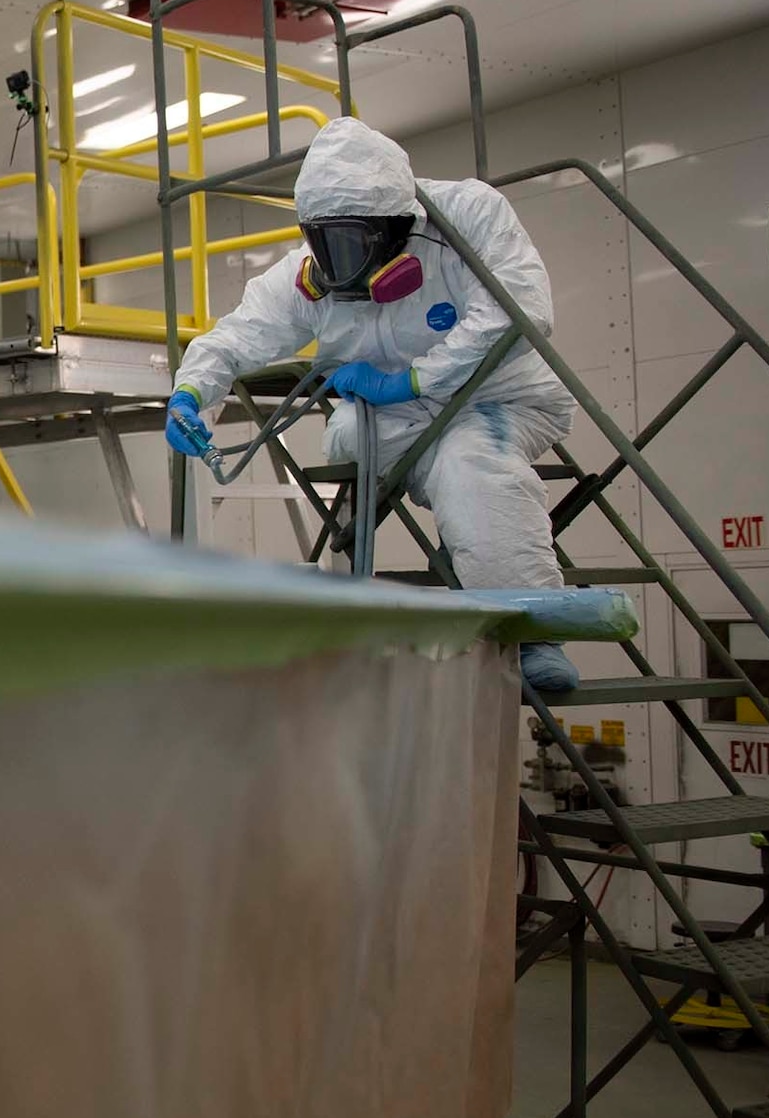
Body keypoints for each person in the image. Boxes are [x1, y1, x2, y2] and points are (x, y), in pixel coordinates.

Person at [163, 116, 580, 691]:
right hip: (391, 417)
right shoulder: (308, 279)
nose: (338, 266)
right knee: (345, 438)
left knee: (468, 467)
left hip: (493, 400)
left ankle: (534, 635)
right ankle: (465, 538)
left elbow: (522, 311)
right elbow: (234, 338)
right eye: (323, 243)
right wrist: (191, 394)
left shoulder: (466, 218)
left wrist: (413, 379)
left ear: (394, 229)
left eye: (351, 244)